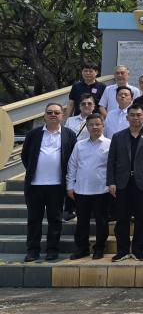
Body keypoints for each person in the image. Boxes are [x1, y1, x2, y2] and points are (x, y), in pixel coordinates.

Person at [21, 103, 78, 262]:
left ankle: (52, 250)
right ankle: (33, 250)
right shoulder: (33, 134)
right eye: (50, 112)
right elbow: (25, 156)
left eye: (57, 112)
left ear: (62, 116)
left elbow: (73, 159)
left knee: (55, 219)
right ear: (44, 116)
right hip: (35, 185)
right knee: (34, 220)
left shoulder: (69, 134)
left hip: (57, 186)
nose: (53, 115)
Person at [106, 104, 143, 262]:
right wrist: (111, 182)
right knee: (121, 219)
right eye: (132, 115)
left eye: (139, 115)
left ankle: (138, 250)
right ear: (127, 117)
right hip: (122, 184)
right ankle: (122, 250)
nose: (135, 118)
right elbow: (111, 161)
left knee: (142, 219)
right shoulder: (118, 137)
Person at [66, 113, 110, 260]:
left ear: (103, 125)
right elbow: (72, 166)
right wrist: (70, 186)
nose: (94, 127)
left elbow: (113, 167)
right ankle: (82, 248)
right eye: (91, 124)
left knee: (101, 222)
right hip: (81, 190)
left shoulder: (110, 144)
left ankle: (99, 248)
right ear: (87, 127)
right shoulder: (79, 145)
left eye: (97, 124)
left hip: (102, 190)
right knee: (82, 222)